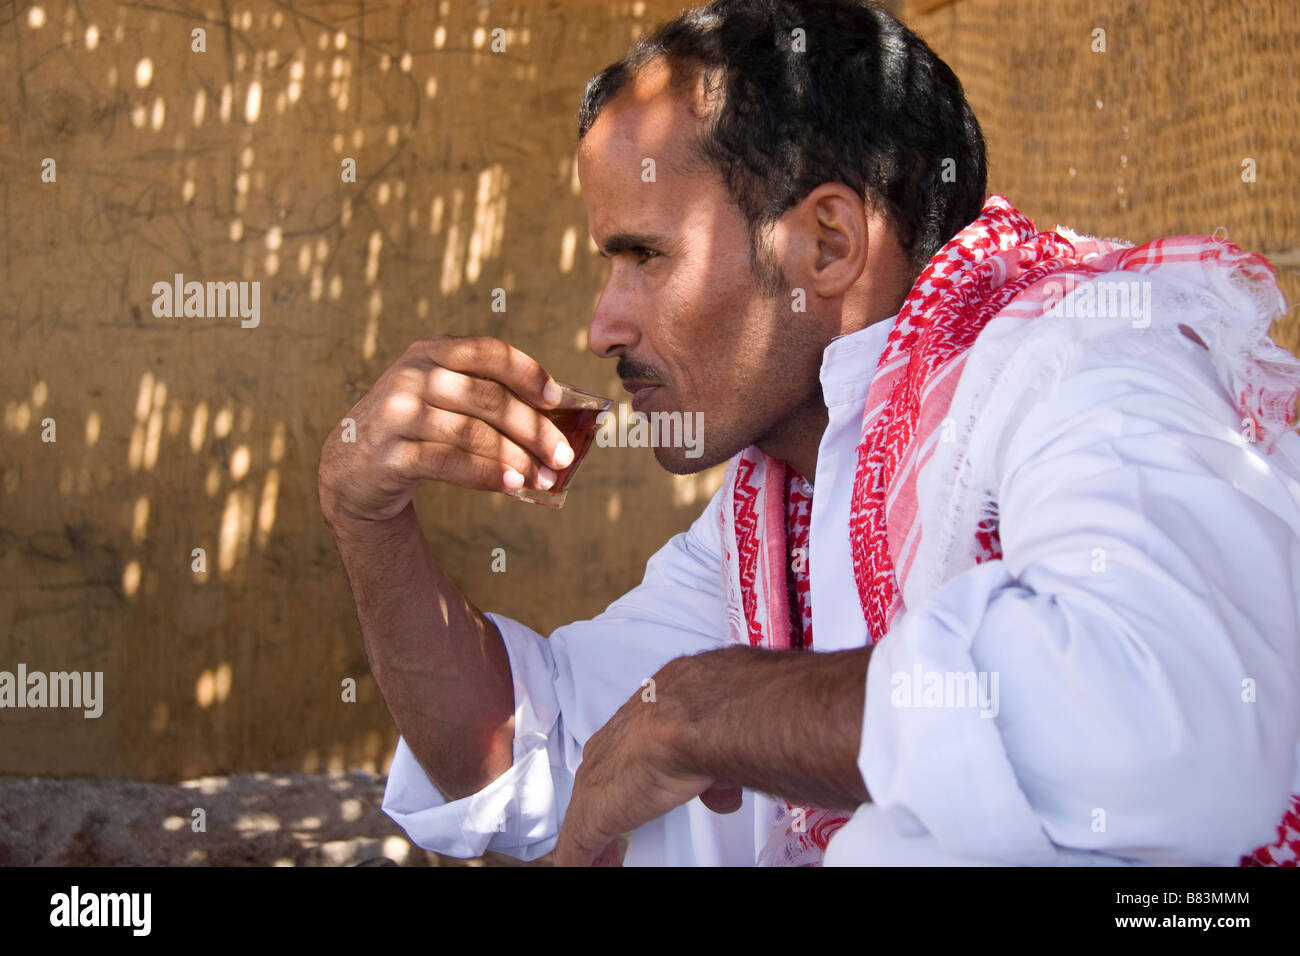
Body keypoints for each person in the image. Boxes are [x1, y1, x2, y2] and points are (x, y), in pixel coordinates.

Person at [317, 0, 1300, 866]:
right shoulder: (770, 515)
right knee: (670, 780)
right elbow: (528, 754)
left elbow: (1171, 724)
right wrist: (366, 514)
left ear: (826, 244)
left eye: (645, 258)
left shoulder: (1081, 369)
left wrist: (707, 711)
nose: (601, 326)